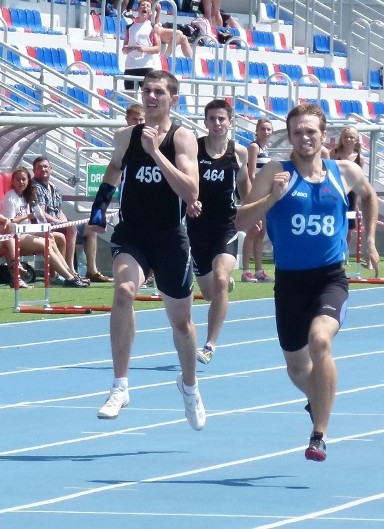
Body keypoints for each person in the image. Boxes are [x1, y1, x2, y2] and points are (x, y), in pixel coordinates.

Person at [235, 103, 380, 462]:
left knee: (320, 340)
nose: (304, 137)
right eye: (298, 131)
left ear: (323, 134)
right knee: (298, 367)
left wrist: (370, 240)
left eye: (311, 131)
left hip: (329, 278)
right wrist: (272, 198)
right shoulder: (275, 171)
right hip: (289, 282)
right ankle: (318, 398)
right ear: (290, 135)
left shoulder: (342, 171)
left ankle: (319, 433)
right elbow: (239, 221)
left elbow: (369, 195)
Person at [89, 70, 206, 431]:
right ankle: (120, 385)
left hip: (170, 238)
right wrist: (98, 209)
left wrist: (156, 153)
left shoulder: (182, 138)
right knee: (123, 292)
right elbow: (112, 168)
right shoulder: (126, 136)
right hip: (133, 235)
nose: (151, 97)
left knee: (181, 324)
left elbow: (190, 192)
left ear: (173, 99)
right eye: (147, 90)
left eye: (159, 92)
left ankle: (189, 385)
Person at [186, 99, 250, 365]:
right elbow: (182, 181)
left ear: (230, 122)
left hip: (226, 226)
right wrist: (189, 200)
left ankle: (210, 345)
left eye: (222, 119)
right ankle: (221, 288)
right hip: (197, 228)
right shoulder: (193, 149)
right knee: (211, 293)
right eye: (212, 119)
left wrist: (252, 210)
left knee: (221, 280)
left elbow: (245, 186)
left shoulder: (240, 152)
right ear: (205, 122)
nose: (217, 124)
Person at [0, 167, 88, 287]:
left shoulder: (26, 197)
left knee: (56, 237)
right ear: (13, 181)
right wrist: (27, 215)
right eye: (18, 179)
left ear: (28, 181)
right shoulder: (10, 198)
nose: (21, 182)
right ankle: (69, 277)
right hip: (14, 234)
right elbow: (9, 223)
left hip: (26, 231)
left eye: (24, 179)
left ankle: (66, 273)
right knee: (45, 243)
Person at [32, 156, 81, 278]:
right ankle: (68, 269)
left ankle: (87, 270)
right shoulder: (35, 187)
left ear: (51, 169)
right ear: (34, 171)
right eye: (39, 167)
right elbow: (41, 213)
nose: (43, 169)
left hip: (54, 223)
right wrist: (58, 222)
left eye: (45, 166)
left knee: (89, 229)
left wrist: (64, 222)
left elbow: (59, 211)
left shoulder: (54, 187)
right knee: (68, 231)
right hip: (41, 224)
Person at [242, 117, 274, 283]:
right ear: (257, 130)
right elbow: (251, 173)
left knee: (261, 232)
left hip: (265, 195)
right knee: (253, 231)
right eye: (263, 129)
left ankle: (259, 270)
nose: (266, 132)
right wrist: (254, 196)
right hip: (256, 196)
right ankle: (246, 270)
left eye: (269, 129)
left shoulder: (266, 148)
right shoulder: (254, 147)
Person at [330, 126, 364, 262]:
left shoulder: (359, 158)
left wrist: (357, 205)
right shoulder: (335, 153)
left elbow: (359, 181)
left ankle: (343, 252)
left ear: (356, 140)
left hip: (352, 194)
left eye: (351, 137)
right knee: (335, 223)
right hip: (336, 191)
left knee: (350, 228)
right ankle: (334, 252)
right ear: (341, 139)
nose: (348, 140)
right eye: (346, 137)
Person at [122, 1, 161, 96]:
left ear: (150, 12)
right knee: (130, 97)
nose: (145, 7)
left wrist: (144, 49)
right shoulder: (129, 27)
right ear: (138, 9)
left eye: (148, 6)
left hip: (146, 66)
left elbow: (158, 48)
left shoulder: (152, 27)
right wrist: (126, 49)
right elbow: (124, 49)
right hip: (130, 66)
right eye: (143, 5)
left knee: (147, 97)